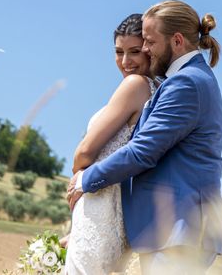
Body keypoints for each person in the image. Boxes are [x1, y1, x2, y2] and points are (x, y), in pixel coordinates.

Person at [68, 0, 222, 275]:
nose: (147, 50)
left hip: (180, 229)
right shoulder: (189, 79)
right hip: (169, 230)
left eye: (149, 43)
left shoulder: (186, 83)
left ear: (176, 41)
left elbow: (143, 152)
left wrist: (84, 180)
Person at [63, 14, 157, 275]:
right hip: (116, 212)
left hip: (100, 206)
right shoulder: (158, 90)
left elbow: (84, 152)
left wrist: (78, 175)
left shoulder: (135, 85)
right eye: (119, 52)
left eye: (135, 51)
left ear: (150, 50)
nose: (126, 62)